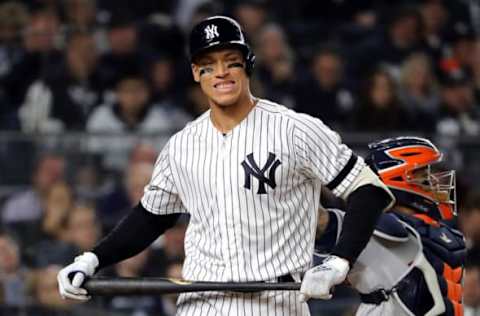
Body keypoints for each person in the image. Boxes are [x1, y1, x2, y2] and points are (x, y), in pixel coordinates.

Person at [57, 16, 394, 315]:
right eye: (208, 63)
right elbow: (151, 217)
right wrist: (92, 259)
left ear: (247, 63)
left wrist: (339, 262)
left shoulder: (294, 129)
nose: (220, 72)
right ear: (194, 72)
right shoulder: (182, 145)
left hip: (277, 302)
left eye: (230, 61)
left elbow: (368, 190)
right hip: (202, 301)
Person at [317, 136, 466, 315]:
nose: (434, 183)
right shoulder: (369, 226)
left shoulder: (447, 233)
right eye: (424, 175)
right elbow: (321, 223)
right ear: (399, 178)